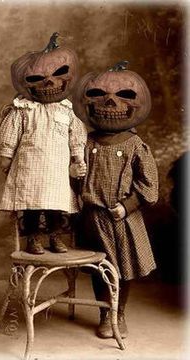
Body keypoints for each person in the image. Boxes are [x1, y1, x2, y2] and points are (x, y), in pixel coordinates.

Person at [71, 62, 158, 338]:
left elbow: (149, 184)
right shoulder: (85, 142)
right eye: (100, 94)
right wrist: (74, 171)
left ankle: (119, 313)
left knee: (121, 269)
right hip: (92, 219)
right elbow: (72, 181)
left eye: (124, 95)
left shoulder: (135, 145)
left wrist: (127, 205)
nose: (110, 102)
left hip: (122, 219)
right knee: (101, 268)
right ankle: (105, 313)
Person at [0, 33, 87, 254]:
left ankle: (55, 236)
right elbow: (10, 133)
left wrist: (78, 157)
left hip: (56, 169)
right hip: (29, 167)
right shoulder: (24, 108)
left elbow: (76, 135)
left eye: (57, 74)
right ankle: (33, 238)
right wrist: (6, 155)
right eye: (38, 78)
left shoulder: (66, 110)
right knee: (31, 205)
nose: (49, 82)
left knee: (55, 205)